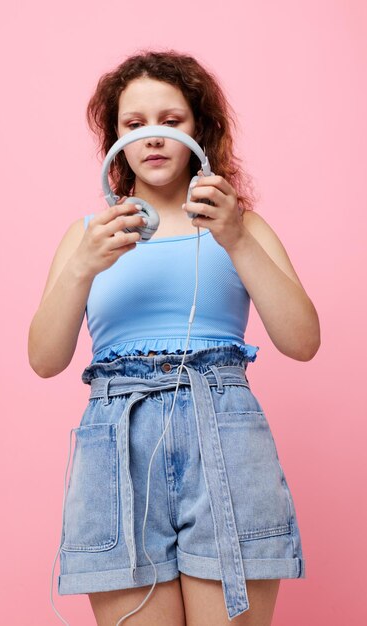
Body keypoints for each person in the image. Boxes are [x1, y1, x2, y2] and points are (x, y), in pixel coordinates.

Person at [28, 49, 320, 626]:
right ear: (115, 139)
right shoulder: (86, 236)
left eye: (171, 120)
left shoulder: (243, 226)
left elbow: (303, 340)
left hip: (226, 437)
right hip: (116, 446)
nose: (153, 137)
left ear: (200, 130)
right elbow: (44, 359)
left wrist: (236, 238)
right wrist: (83, 266)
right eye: (135, 125)